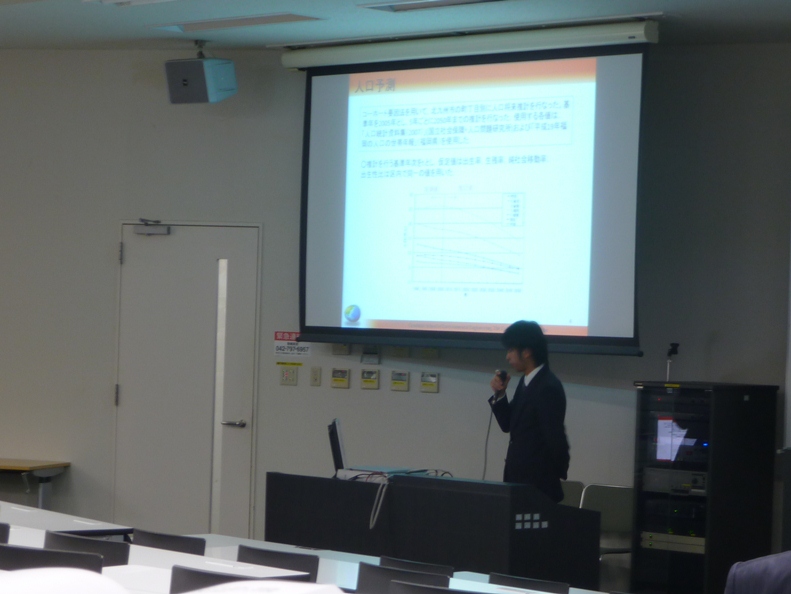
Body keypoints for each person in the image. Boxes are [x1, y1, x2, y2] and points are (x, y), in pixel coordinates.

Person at [488, 320, 570, 503]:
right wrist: (500, 395)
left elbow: (555, 437)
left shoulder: (547, 386)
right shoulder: (526, 381)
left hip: (537, 484)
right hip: (518, 479)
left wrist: (553, 474)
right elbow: (508, 425)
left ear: (526, 351)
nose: (507, 357)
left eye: (511, 350)